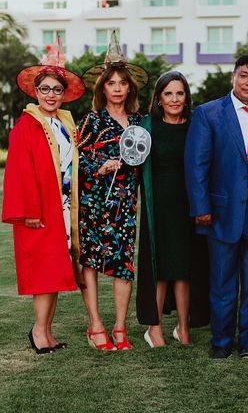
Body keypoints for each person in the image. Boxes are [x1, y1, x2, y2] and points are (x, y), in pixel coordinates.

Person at [185, 54, 248, 360]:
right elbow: (197, 165)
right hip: (222, 210)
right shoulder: (209, 113)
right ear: (233, 77)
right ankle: (222, 341)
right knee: (223, 280)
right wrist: (201, 207)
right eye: (243, 75)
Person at [2, 43, 85, 353]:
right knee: (44, 274)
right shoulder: (25, 127)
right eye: (45, 88)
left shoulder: (66, 124)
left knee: (57, 272)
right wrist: (30, 211)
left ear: (64, 94)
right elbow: (20, 173)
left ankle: (47, 332)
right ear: (34, 91)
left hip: (63, 207)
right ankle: (39, 332)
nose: (51, 94)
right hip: (40, 211)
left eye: (57, 89)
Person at [77, 40, 148, 351]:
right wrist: (100, 166)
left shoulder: (138, 122)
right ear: (102, 88)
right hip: (94, 204)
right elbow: (74, 160)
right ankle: (95, 325)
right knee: (90, 261)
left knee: (124, 264)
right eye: (111, 83)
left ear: (129, 88)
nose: (117, 88)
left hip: (125, 204)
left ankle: (119, 328)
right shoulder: (92, 121)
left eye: (122, 83)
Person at [136, 71, 210, 347]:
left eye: (180, 93)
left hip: (188, 204)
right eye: (168, 93)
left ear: (186, 97)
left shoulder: (195, 126)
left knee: (184, 267)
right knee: (161, 267)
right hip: (159, 206)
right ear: (159, 98)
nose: (175, 99)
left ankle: (183, 326)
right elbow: (133, 164)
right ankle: (154, 328)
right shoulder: (146, 127)